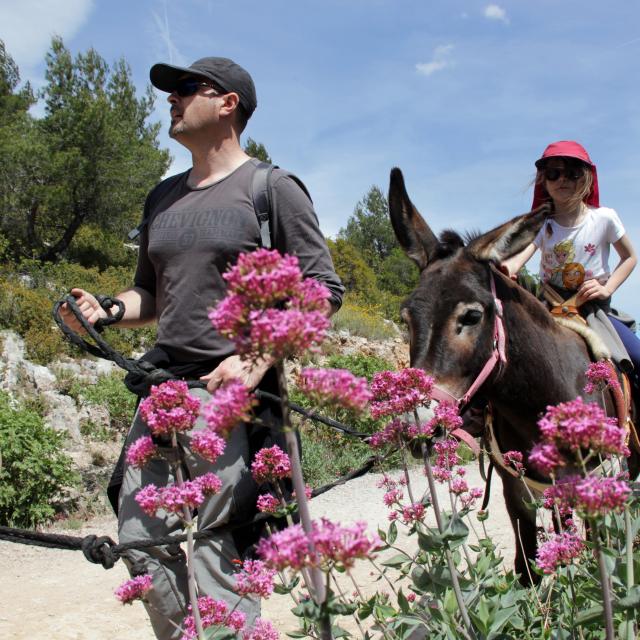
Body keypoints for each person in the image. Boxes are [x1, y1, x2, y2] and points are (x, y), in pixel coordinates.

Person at [60, 56, 344, 639]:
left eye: (187, 88)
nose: (172, 99)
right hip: (162, 392)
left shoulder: (271, 189)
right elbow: (151, 294)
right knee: (143, 542)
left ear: (228, 103)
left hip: (231, 395)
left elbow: (323, 291)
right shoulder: (162, 196)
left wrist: (256, 356)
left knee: (219, 549)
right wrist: (107, 310)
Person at [504, 140, 640, 385]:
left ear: (585, 177)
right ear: (543, 181)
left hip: (592, 308)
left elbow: (630, 257)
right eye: (554, 173)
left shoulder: (604, 218)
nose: (562, 180)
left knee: (638, 357)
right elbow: (521, 254)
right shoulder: (541, 223)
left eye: (572, 173)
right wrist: (507, 269)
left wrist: (607, 288)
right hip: (548, 306)